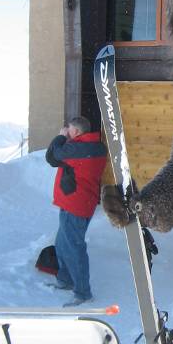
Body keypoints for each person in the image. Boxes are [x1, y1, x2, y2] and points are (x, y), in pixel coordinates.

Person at [45, 115, 107, 307]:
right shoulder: (92, 146)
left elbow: (52, 156)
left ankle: (83, 293)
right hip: (76, 202)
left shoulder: (78, 148)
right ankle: (65, 280)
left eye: (70, 130)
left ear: (78, 132)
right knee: (62, 243)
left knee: (74, 247)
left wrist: (60, 137)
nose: (67, 132)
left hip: (76, 205)